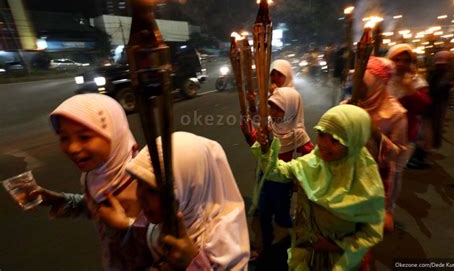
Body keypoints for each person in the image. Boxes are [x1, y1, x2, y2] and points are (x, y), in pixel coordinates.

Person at [252, 104, 385, 271]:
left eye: (335, 140)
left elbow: (371, 233)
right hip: (306, 254)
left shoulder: (365, 183)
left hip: (340, 261)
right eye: (321, 135)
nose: (324, 144)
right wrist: (266, 149)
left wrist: (334, 246)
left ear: (353, 142)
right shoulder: (313, 162)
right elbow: (276, 172)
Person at [32, 93, 153, 270]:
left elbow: (171, 246)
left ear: (114, 133)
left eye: (85, 137)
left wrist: (125, 228)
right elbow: (99, 210)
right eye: (64, 137)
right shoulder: (94, 175)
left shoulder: (145, 183)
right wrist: (65, 201)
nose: (72, 148)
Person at [125, 131, 250, 270]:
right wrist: (123, 226)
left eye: (153, 191)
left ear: (190, 190)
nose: (140, 196)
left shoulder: (223, 244)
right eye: (139, 183)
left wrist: (191, 261)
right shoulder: (161, 217)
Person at [242, 87, 314, 269]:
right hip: (265, 177)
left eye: (278, 109)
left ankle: (291, 248)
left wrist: (298, 176)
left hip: (281, 184)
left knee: (282, 217)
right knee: (264, 214)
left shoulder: (297, 133)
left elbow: (310, 158)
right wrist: (248, 132)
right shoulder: (268, 125)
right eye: (271, 107)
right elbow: (257, 146)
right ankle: (265, 247)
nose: (272, 113)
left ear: (290, 109)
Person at [356, 56, 408, 232]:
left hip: (375, 179)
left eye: (364, 84)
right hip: (348, 172)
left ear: (377, 84)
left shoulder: (396, 114)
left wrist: (374, 131)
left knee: (364, 230)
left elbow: (397, 152)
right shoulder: (352, 104)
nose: (359, 88)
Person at [386, 44, 431, 169]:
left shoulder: (418, 82)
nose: (401, 64)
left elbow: (423, 107)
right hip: (381, 133)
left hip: (405, 135)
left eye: (406, 61)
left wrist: (409, 87)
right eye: (396, 59)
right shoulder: (382, 78)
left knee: (395, 171)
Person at [427, 51, 454, 148]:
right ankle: (431, 144)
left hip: (438, 102)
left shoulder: (446, 73)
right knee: (433, 125)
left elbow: (438, 88)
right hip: (436, 101)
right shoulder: (439, 72)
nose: (439, 64)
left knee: (435, 124)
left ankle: (431, 145)